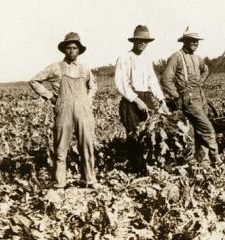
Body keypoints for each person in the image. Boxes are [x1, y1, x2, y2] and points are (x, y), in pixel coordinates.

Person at [29, 32, 98, 189]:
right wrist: (50, 96)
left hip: (83, 109)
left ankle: (89, 179)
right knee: (61, 145)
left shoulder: (85, 68)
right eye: (69, 48)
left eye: (75, 48)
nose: (72, 50)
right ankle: (60, 182)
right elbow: (34, 81)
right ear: (64, 50)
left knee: (86, 143)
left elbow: (93, 85)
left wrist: (88, 98)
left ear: (79, 50)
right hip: (63, 108)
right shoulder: (55, 67)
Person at [160, 27, 221, 167]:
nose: (194, 43)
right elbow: (165, 79)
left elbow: (206, 70)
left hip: (201, 97)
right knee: (208, 129)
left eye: (196, 41)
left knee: (200, 131)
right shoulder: (177, 57)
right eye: (191, 40)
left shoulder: (197, 58)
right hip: (189, 100)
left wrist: (201, 82)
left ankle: (203, 162)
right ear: (185, 41)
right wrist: (177, 96)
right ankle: (216, 159)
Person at [114, 25, 169, 172]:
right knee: (134, 134)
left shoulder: (146, 60)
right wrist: (136, 100)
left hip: (146, 97)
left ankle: (151, 163)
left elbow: (153, 82)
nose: (143, 43)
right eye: (140, 40)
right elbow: (121, 83)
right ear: (134, 40)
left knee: (150, 131)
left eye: (146, 41)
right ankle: (137, 169)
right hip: (130, 100)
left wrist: (162, 100)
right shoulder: (124, 58)